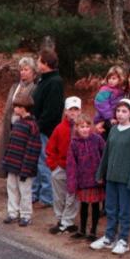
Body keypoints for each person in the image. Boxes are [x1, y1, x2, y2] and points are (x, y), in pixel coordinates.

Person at [90, 99, 130, 255]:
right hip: (111, 177)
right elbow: (107, 153)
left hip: (126, 179)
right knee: (111, 208)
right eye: (118, 111)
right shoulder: (114, 130)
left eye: (124, 111)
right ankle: (109, 236)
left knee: (124, 210)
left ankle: (123, 239)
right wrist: (101, 173)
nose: (120, 114)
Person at [0, 57, 39, 181]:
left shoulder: (35, 89)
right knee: (8, 154)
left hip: (24, 128)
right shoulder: (15, 87)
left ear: (33, 73)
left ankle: (20, 182)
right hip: (10, 126)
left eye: (26, 69)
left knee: (19, 156)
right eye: (21, 69)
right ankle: (9, 181)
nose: (23, 72)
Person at [1, 94, 42, 227]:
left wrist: (26, 169)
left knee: (25, 192)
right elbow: (11, 145)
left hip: (24, 167)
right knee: (11, 188)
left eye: (17, 106)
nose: (14, 108)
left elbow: (32, 150)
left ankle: (26, 215)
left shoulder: (32, 126)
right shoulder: (17, 123)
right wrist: (6, 162)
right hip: (12, 164)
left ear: (24, 108)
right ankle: (13, 212)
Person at [30, 49, 65, 208]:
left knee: (44, 162)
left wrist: (39, 125)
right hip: (37, 126)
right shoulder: (43, 80)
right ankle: (35, 192)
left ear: (45, 63)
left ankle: (47, 196)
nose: (37, 63)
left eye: (39, 61)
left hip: (46, 130)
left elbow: (52, 110)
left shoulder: (55, 82)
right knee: (35, 162)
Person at [66, 114, 107, 240]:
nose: (85, 129)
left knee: (95, 206)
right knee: (83, 205)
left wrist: (103, 175)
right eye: (82, 127)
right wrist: (72, 182)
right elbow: (71, 164)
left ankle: (93, 231)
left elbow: (105, 156)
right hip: (82, 180)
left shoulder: (97, 139)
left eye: (87, 126)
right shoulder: (74, 143)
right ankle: (82, 229)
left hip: (96, 180)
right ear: (76, 128)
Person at [46, 96, 82, 234]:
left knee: (72, 196)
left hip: (76, 169)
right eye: (70, 110)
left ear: (80, 111)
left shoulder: (83, 129)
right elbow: (50, 149)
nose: (73, 113)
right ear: (66, 112)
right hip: (60, 167)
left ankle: (68, 221)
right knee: (59, 196)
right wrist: (53, 165)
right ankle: (60, 219)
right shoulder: (60, 128)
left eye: (76, 109)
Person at [93, 65, 126, 138]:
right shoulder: (105, 90)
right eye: (109, 78)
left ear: (119, 80)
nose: (111, 80)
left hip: (114, 118)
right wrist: (110, 117)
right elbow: (101, 104)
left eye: (114, 78)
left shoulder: (120, 91)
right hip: (103, 118)